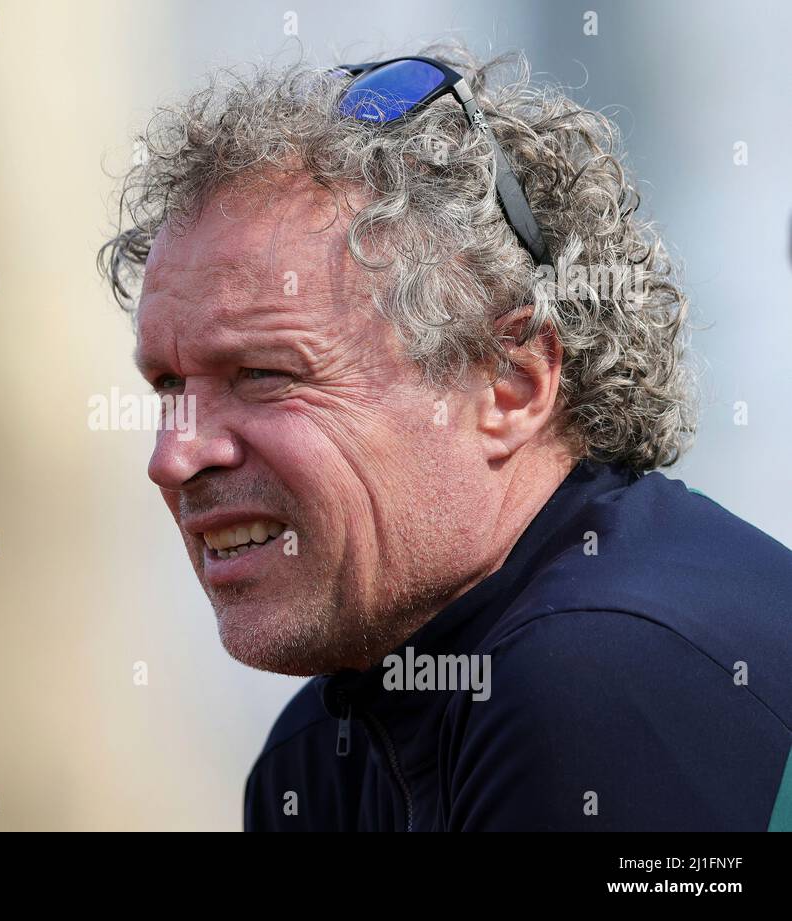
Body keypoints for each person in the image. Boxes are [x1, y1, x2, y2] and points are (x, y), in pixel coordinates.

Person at [98, 46, 792, 830]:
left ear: (511, 386)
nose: (174, 456)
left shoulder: (597, 675)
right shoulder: (320, 753)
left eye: (264, 375)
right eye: (169, 388)